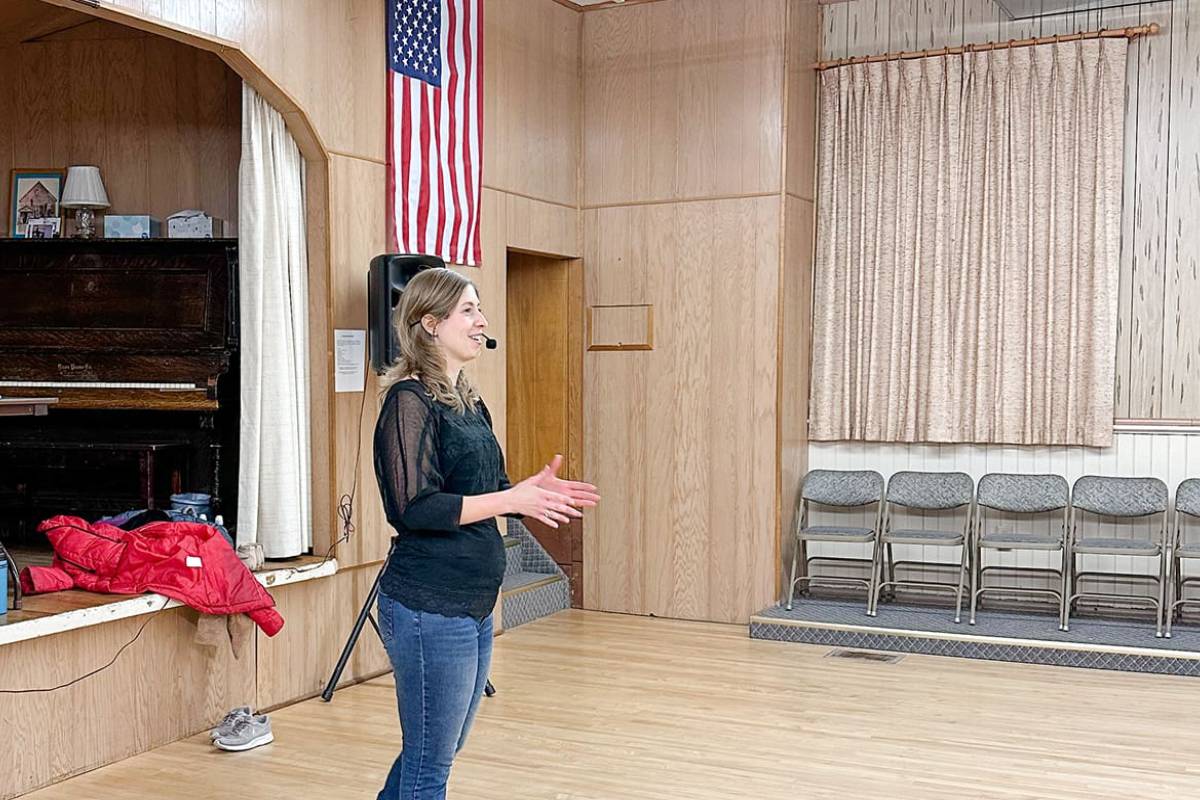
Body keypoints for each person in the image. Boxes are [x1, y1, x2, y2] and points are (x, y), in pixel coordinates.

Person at [372, 267, 600, 800]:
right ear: (430, 323)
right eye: (468, 311)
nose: (482, 322)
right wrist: (510, 500)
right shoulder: (408, 401)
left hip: (473, 602)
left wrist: (529, 492)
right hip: (429, 603)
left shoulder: (469, 402)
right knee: (431, 763)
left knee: (437, 749)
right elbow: (414, 507)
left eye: (480, 310)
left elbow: (488, 487)